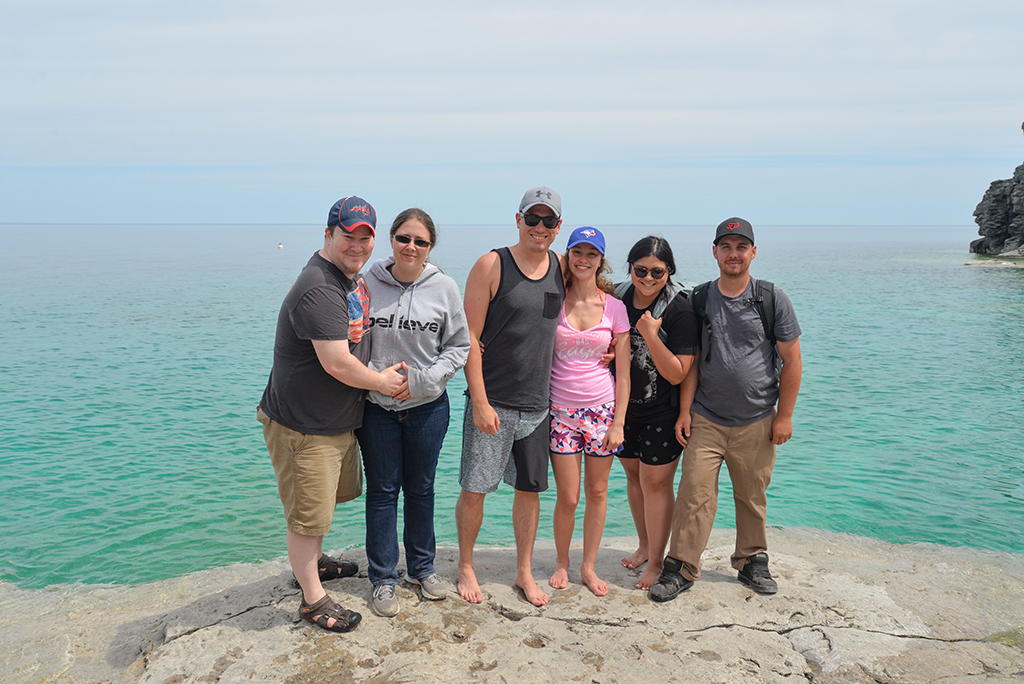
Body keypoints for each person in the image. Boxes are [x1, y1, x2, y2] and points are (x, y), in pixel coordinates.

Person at [257, 196, 407, 633]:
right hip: (304, 426)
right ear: (328, 234)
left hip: (332, 420)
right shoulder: (320, 287)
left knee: (319, 509)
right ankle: (312, 601)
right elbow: (336, 362)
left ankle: (315, 565)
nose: (357, 245)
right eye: (348, 236)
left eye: (365, 238)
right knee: (307, 517)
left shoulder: (347, 277)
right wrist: (382, 383)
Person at [650, 217, 802, 602]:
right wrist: (685, 412)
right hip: (707, 417)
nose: (733, 254)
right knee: (694, 493)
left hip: (758, 418)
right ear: (715, 252)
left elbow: (792, 359)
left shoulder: (771, 299)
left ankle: (751, 560)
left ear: (753, 252)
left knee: (751, 495)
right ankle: (681, 566)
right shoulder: (698, 300)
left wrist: (784, 416)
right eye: (726, 247)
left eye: (741, 247)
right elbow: (693, 362)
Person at [355, 208, 470, 618]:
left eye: (420, 241)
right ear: (391, 240)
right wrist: (374, 377)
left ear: (430, 247)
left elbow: (460, 346)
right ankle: (383, 577)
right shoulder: (366, 283)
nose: (411, 247)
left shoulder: (444, 288)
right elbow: (350, 341)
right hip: (377, 408)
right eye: (404, 238)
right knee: (383, 492)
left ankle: (422, 568)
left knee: (421, 490)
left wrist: (423, 379)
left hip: (427, 409)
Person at [456, 186, 565, 607]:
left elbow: (586, 308)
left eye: (548, 221)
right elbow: (470, 336)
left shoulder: (560, 265)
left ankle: (523, 571)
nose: (540, 227)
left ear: (558, 227)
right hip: (494, 401)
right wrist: (479, 401)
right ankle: (466, 564)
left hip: (539, 406)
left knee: (530, 490)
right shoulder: (490, 264)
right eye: (532, 219)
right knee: (476, 488)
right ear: (518, 220)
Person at [548, 226, 630, 597]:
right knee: (568, 496)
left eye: (592, 254)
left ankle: (589, 566)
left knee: (597, 493)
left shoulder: (615, 308)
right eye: (577, 252)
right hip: (561, 411)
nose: (584, 260)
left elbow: (624, 374)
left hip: (602, 411)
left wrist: (619, 423)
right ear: (568, 257)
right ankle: (562, 561)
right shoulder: (553, 301)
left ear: (601, 261)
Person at [614, 236, 699, 591]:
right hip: (623, 408)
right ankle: (645, 545)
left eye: (657, 271)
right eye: (640, 270)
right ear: (630, 268)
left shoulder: (679, 309)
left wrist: (650, 334)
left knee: (656, 483)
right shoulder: (617, 298)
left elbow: (679, 372)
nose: (648, 278)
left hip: (661, 411)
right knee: (634, 478)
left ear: (669, 272)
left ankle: (660, 561)